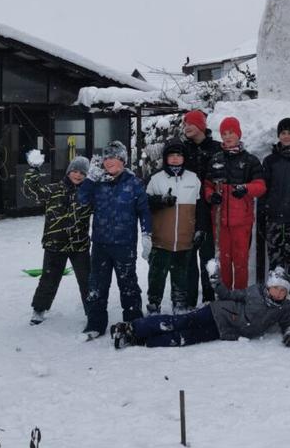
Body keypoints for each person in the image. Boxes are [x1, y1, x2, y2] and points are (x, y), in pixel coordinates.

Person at [110, 267, 290, 349]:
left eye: (283, 290)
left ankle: (141, 341)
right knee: (179, 323)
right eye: (276, 288)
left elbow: (288, 324)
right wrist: (217, 283)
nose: (279, 293)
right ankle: (132, 327)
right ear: (269, 287)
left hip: (225, 331)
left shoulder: (283, 308)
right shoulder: (254, 292)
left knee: (185, 338)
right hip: (217, 312)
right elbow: (228, 295)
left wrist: (289, 334)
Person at [76, 140, 151, 339]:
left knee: (128, 285)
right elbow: (81, 200)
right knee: (97, 286)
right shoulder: (98, 182)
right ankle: (95, 323)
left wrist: (146, 234)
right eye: (106, 158)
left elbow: (144, 211)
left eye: (114, 158)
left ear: (123, 161)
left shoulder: (134, 183)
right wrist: (90, 179)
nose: (109, 162)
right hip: (100, 244)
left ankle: (134, 321)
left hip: (124, 245)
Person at [22, 154, 92, 325]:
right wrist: (33, 170)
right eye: (74, 171)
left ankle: (92, 310)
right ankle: (39, 309)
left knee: (87, 280)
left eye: (82, 173)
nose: (78, 175)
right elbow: (31, 191)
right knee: (49, 278)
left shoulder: (89, 194)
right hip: (55, 244)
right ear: (68, 172)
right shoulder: (54, 190)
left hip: (79, 245)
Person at [204, 117, 266, 289]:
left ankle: (239, 298)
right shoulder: (216, 159)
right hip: (220, 222)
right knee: (223, 261)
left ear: (238, 134)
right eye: (224, 133)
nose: (227, 136)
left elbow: (260, 186)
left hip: (242, 222)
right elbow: (207, 186)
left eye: (231, 132)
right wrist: (211, 196)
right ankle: (224, 300)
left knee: (240, 263)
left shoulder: (250, 160)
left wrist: (246, 188)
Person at [145, 139, 202, 314]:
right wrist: (160, 201)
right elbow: (143, 204)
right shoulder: (155, 179)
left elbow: (200, 208)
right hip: (161, 239)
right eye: (172, 155)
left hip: (185, 239)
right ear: (165, 158)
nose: (176, 159)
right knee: (157, 276)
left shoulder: (193, 178)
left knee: (181, 275)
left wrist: (200, 229)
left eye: (179, 155)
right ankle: (154, 305)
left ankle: (179, 304)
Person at [261, 117, 290, 303]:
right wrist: (265, 211)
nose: (286, 136)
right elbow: (264, 190)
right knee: (275, 262)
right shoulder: (270, 160)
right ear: (278, 136)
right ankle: (275, 298)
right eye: (283, 133)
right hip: (274, 219)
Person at [182, 109, 221, 306]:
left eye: (191, 123)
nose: (187, 127)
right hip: (188, 208)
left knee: (207, 256)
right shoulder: (182, 149)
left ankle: (208, 297)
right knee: (188, 256)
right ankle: (189, 300)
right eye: (185, 124)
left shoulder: (216, 148)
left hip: (209, 209)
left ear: (201, 126)